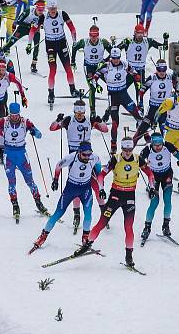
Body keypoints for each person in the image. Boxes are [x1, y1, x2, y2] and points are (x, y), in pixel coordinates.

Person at [74, 137, 151, 268]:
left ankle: (129, 256)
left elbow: (150, 174)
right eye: (125, 149)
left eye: (130, 149)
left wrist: (152, 187)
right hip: (116, 195)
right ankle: (86, 245)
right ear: (121, 149)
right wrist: (101, 189)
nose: (127, 152)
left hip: (129, 196)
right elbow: (101, 175)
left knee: (128, 228)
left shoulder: (138, 159)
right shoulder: (116, 159)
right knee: (102, 223)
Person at [49, 100, 108, 229]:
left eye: (81, 112)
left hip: (88, 156)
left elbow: (105, 130)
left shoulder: (88, 120)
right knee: (76, 185)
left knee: (95, 185)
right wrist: (58, 120)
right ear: (74, 111)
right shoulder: (69, 120)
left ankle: (104, 213)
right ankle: (77, 213)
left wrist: (100, 120)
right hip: (74, 158)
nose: (79, 115)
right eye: (77, 113)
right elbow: (52, 128)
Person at [33, 141, 102, 250]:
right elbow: (58, 165)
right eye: (84, 154)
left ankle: (85, 238)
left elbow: (98, 167)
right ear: (79, 152)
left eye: (89, 154)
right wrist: (56, 180)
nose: (87, 157)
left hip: (85, 188)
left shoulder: (94, 157)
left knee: (88, 214)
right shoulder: (71, 157)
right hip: (71, 188)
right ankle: (43, 236)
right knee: (58, 213)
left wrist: (98, 176)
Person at [0, 103, 47, 219]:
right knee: (12, 183)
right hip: (8, 155)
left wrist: (34, 132)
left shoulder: (25, 122)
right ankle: (15, 205)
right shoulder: (4, 121)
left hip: (21, 154)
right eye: (12, 115)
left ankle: (39, 203)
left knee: (30, 181)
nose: (14, 117)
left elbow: (39, 135)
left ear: (19, 113)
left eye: (16, 115)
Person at [26, 0, 79, 104]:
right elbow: (32, 30)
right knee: (53, 70)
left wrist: (74, 41)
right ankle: (51, 93)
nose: (53, 10)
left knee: (68, 68)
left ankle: (72, 89)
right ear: (47, 8)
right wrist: (29, 43)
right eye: (51, 8)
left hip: (62, 43)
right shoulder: (43, 17)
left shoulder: (62, 14)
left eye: (54, 8)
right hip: (50, 45)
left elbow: (72, 28)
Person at [91, 48, 143, 153]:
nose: (116, 60)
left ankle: (144, 135)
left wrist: (137, 78)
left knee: (137, 115)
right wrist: (96, 85)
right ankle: (113, 145)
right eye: (114, 58)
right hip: (113, 96)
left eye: (117, 58)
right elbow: (94, 77)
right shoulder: (106, 66)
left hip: (123, 94)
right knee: (115, 122)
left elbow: (135, 73)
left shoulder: (124, 64)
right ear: (111, 57)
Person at [140, 132, 179, 241]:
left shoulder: (167, 146)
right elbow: (138, 161)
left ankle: (166, 226)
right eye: (155, 145)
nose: (158, 147)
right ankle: (147, 227)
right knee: (154, 202)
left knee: (167, 200)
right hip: (153, 176)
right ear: (152, 143)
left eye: (160, 144)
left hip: (166, 175)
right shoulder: (147, 150)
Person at [117, 24, 167, 104]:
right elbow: (115, 50)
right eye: (138, 33)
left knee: (140, 92)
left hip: (140, 71)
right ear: (134, 33)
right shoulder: (128, 41)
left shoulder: (148, 41)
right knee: (120, 90)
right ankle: (112, 109)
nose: (140, 35)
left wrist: (166, 39)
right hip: (129, 71)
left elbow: (164, 48)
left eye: (142, 33)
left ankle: (140, 109)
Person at [70, 25, 113, 117]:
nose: (93, 38)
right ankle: (92, 111)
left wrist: (105, 61)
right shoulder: (84, 42)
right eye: (92, 36)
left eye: (95, 36)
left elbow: (113, 53)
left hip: (100, 67)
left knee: (111, 84)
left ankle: (111, 106)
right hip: (89, 67)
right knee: (92, 88)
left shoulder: (103, 42)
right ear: (89, 35)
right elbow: (74, 48)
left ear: (98, 35)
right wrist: (73, 62)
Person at [132, 59, 175, 143]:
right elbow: (141, 91)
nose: (162, 72)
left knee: (165, 132)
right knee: (141, 130)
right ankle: (129, 148)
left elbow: (178, 89)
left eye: (164, 70)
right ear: (156, 69)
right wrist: (140, 103)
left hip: (166, 109)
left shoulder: (170, 78)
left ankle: (164, 149)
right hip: (153, 108)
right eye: (159, 70)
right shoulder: (152, 78)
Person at [4, 0, 44, 74]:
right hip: (23, 28)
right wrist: (29, 25)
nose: (41, 12)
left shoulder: (43, 15)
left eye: (42, 10)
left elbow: (40, 26)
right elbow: (18, 21)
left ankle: (34, 64)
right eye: (39, 10)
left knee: (36, 46)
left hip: (34, 30)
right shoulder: (28, 10)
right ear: (36, 8)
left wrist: (41, 26)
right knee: (10, 43)